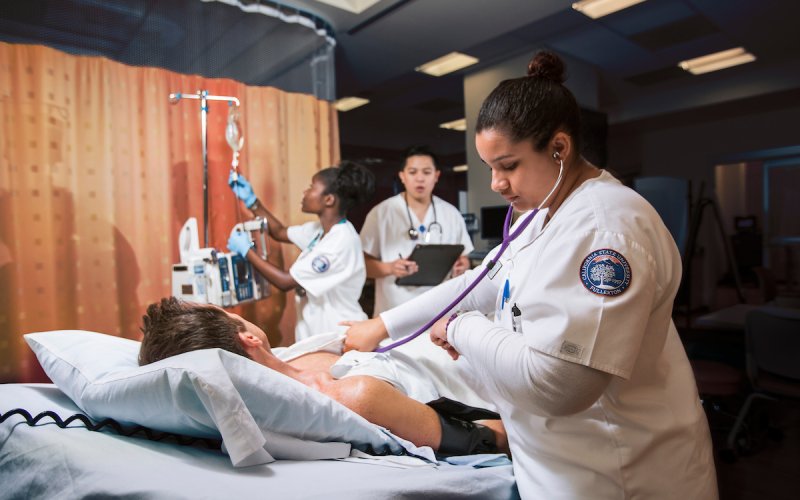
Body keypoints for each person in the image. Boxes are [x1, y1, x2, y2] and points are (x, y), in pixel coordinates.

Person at [343, 51, 718, 499]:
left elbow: (561, 385)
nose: (497, 184)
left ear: (559, 148)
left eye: (508, 165)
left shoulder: (605, 229)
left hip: (622, 472)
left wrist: (461, 328)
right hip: (557, 463)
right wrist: (382, 325)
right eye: (490, 168)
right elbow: (477, 282)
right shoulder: (540, 217)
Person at [138, 297, 507, 457]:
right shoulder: (353, 396)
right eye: (230, 313)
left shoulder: (287, 358)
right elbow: (489, 439)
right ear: (247, 338)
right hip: (494, 367)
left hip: (476, 335)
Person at [228, 161, 373, 342]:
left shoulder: (340, 241)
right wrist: (252, 201)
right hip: (316, 333)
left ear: (329, 199)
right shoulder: (320, 231)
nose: (305, 192)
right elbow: (279, 232)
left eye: (312, 187)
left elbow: (285, 281)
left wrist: (247, 251)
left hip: (338, 333)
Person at [360, 146, 474, 316]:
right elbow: (362, 265)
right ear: (402, 176)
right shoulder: (381, 212)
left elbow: (464, 257)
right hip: (395, 310)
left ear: (436, 176)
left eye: (427, 172)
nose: (420, 178)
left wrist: (463, 264)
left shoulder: (451, 213)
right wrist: (390, 268)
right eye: (413, 172)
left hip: (440, 309)